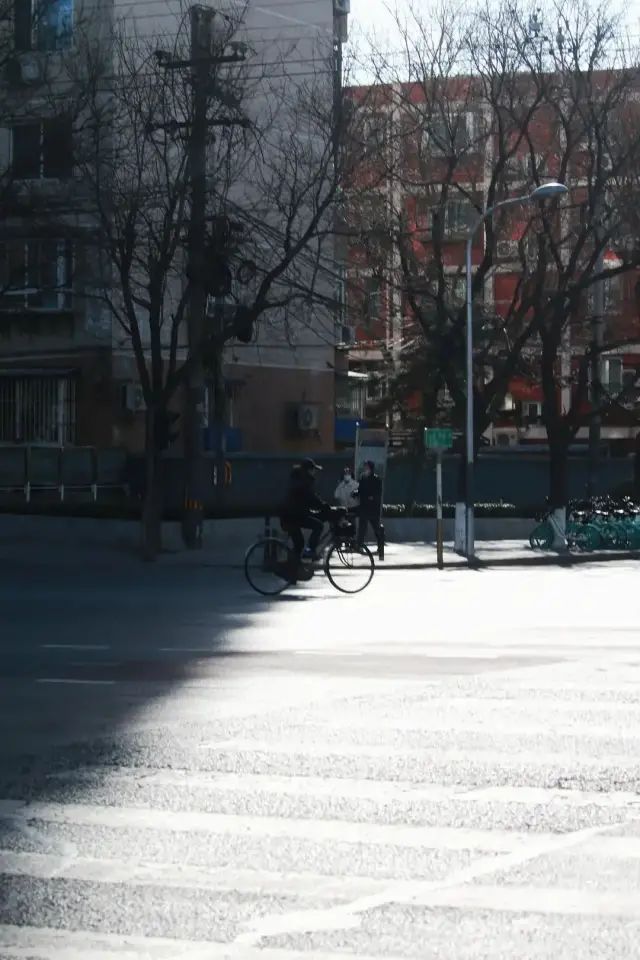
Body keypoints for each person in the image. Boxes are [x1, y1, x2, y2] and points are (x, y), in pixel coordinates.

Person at [280, 457, 330, 560]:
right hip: (293, 516)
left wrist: (320, 506)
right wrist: (324, 506)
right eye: (314, 470)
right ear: (309, 470)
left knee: (299, 543)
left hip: (290, 515)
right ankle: (310, 551)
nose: (315, 472)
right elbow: (311, 497)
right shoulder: (304, 481)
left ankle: (294, 565)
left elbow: (308, 498)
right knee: (318, 526)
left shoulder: (298, 479)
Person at [357, 459, 384, 557]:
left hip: (373, 508)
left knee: (377, 529)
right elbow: (360, 489)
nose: (365, 468)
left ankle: (380, 547)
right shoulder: (362, 478)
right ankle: (359, 546)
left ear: (371, 468)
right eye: (364, 466)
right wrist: (356, 493)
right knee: (362, 529)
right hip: (364, 507)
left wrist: (372, 497)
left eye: (366, 467)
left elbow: (378, 493)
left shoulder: (377, 479)